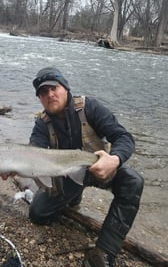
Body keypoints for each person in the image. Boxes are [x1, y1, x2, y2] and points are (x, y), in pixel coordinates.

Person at [29, 66, 144, 267]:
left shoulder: (90, 107)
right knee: (38, 214)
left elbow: (123, 137)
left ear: (65, 88)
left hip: (98, 169)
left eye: (54, 88)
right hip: (67, 176)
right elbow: (32, 154)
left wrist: (114, 159)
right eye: (43, 93)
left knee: (133, 181)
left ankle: (105, 250)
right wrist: (9, 166)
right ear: (40, 99)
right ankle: (73, 197)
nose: (50, 95)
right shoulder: (41, 123)